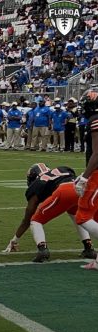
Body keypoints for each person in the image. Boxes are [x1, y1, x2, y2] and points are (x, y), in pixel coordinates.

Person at [4, 163, 95, 262]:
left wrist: (14, 240)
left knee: (35, 221)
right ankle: (88, 248)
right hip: (80, 190)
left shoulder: (37, 184)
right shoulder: (63, 169)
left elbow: (27, 219)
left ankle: (42, 249)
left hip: (64, 190)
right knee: (76, 215)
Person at [75, 88, 98, 269]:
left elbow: (97, 153)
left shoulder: (95, 120)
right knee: (96, 217)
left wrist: (85, 177)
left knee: (82, 217)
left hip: (97, 174)